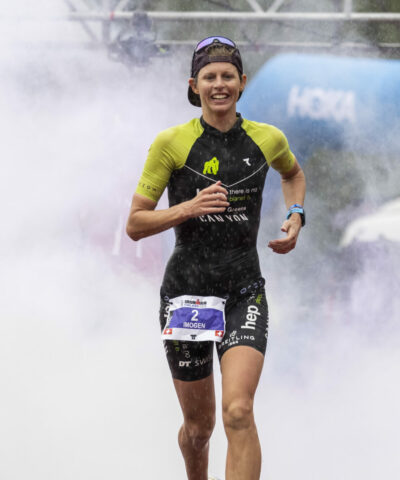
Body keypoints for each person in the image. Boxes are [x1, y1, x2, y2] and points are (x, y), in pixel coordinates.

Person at [126, 36, 306, 480]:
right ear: (195, 85)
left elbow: (293, 174)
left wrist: (296, 215)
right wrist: (188, 207)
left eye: (228, 76)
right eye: (210, 77)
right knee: (200, 427)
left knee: (239, 410)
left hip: (244, 289)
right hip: (187, 293)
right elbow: (134, 224)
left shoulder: (268, 139)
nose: (219, 84)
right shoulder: (171, 143)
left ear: (242, 83)